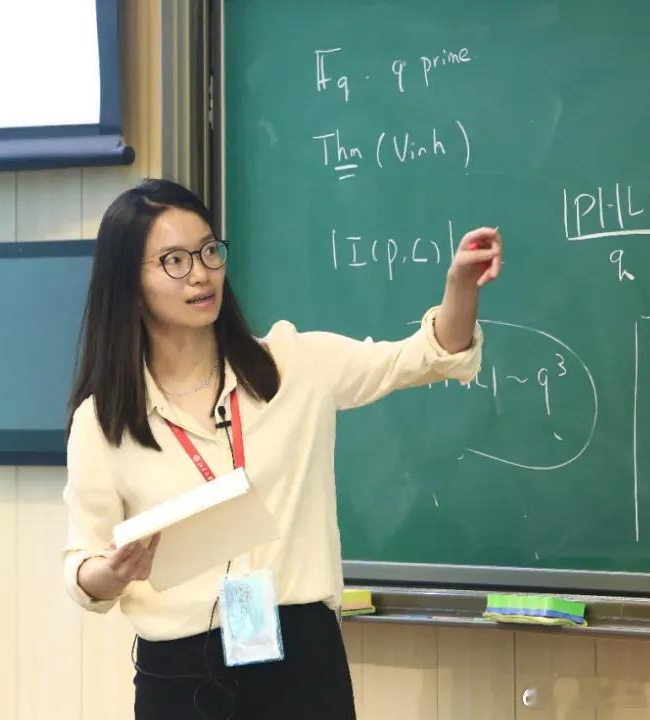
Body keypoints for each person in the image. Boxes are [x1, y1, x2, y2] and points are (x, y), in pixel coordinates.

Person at [61, 178, 501, 719]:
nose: (200, 273)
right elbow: (82, 563)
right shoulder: (104, 419)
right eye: (174, 261)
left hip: (301, 661)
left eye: (208, 251)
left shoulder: (295, 365)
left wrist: (460, 287)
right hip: (179, 673)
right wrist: (111, 573)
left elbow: (426, 357)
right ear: (129, 281)